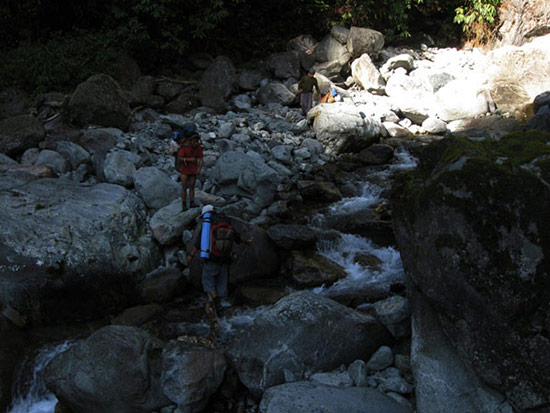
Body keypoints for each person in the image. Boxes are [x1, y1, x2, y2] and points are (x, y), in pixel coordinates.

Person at [187, 205, 253, 311]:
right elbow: (237, 236)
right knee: (222, 280)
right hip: (225, 258)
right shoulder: (226, 222)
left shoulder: (207, 225)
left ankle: (215, 300)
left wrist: (191, 255)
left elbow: (199, 243)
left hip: (211, 258)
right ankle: (224, 302)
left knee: (208, 280)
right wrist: (247, 242)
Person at [177, 127, 203, 210]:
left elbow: (201, 159)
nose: (196, 143)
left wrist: (199, 169)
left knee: (192, 186)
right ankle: (184, 204)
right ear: (191, 141)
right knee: (184, 187)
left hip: (193, 170)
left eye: (197, 141)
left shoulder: (198, 148)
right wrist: (189, 159)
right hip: (184, 169)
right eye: (194, 141)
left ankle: (192, 202)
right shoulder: (184, 148)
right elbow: (180, 158)